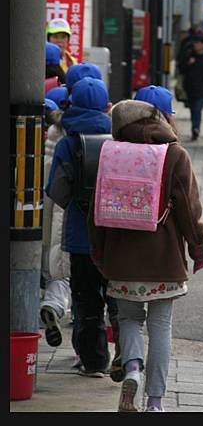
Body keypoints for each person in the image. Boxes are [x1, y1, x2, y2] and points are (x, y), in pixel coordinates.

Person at [87, 86, 203, 412]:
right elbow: (188, 209)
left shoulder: (111, 151)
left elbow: (95, 210)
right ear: (164, 117)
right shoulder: (175, 154)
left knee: (128, 320)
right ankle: (155, 402)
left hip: (121, 260)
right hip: (164, 262)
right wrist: (199, 248)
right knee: (160, 327)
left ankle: (131, 369)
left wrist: (99, 253)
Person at [46, 77, 118, 376]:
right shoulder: (119, 140)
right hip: (115, 235)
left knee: (86, 302)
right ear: (105, 106)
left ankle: (93, 361)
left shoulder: (66, 142)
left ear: (72, 103)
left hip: (79, 237)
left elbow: (57, 190)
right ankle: (126, 355)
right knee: (116, 300)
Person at [40, 95, 71, 348]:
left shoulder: (50, 136)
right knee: (64, 270)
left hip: (41, 209)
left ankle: (46, 305)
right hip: (70, 214)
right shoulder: (83, 138)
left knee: (48, 265)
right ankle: (54, 304)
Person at [178, 33, 203, 141]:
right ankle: (194, 128)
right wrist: (188, 64)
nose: (196, 45)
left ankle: (196, 129)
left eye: (198, 43)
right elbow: (181, 70)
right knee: (192, 110)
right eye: (195, 43)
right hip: (190, 89)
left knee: (197, 109)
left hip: (202, 90)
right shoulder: (189, 56)